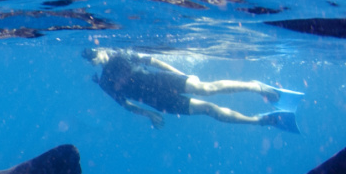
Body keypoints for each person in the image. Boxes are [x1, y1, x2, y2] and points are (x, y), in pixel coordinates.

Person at [82, 48, 299, 133]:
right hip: (159, 103)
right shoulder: (104, 83)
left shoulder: (121, 54)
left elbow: (155, 62)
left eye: (93, 55)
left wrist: (181, 74)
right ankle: (260, 121)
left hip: (164, 81)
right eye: (90, 60)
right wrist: (149, 114)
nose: (93, 60)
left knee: (206, 89)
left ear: (100, 49)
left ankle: (257, 86)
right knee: (208, 109)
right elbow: (126, 105)